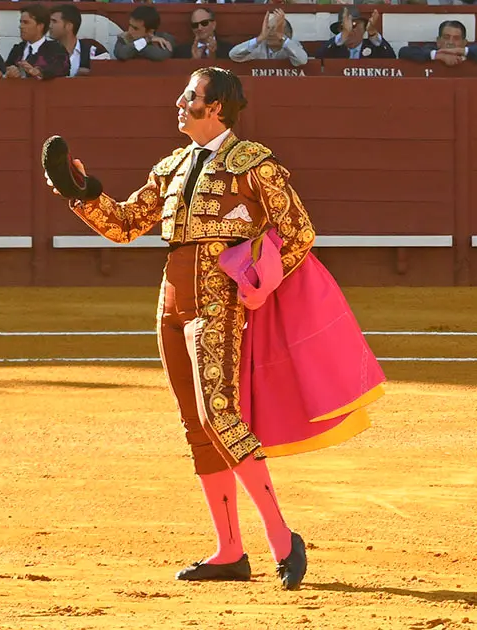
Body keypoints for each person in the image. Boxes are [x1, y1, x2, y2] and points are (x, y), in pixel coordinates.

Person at [43, 67, 384, 590]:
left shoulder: (253, 164)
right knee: (196, 426)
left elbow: (298, 232)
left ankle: (281, 538)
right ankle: (229, 551)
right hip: (172, 298)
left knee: (219, 414)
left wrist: (257, 286)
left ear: (218, 107)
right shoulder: (173, 166)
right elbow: (128, 224)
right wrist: (80, 191)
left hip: (218, 300)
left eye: (191, 96)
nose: (180, 102)